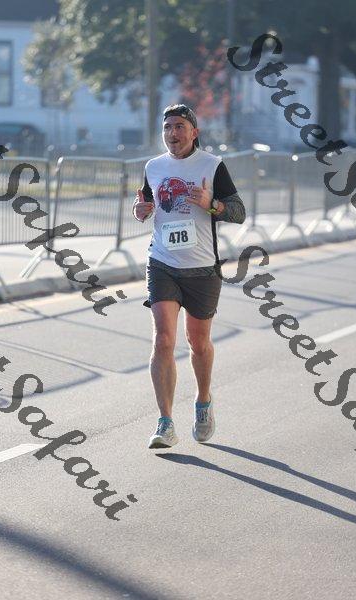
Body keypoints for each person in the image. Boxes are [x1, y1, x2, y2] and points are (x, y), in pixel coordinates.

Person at [132, 104, 245, 449]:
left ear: (194, 132)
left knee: (198, 343)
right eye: (167, 127)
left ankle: (203, 401)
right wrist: (140, 211)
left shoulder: (212, 165)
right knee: (163, 340)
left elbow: (239, 212)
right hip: (162, 263)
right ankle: (165, 423)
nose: (172, 133)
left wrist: (212, 204)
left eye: (179, 126)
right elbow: (146, 205)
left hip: (202, 269)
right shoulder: (154, 167)